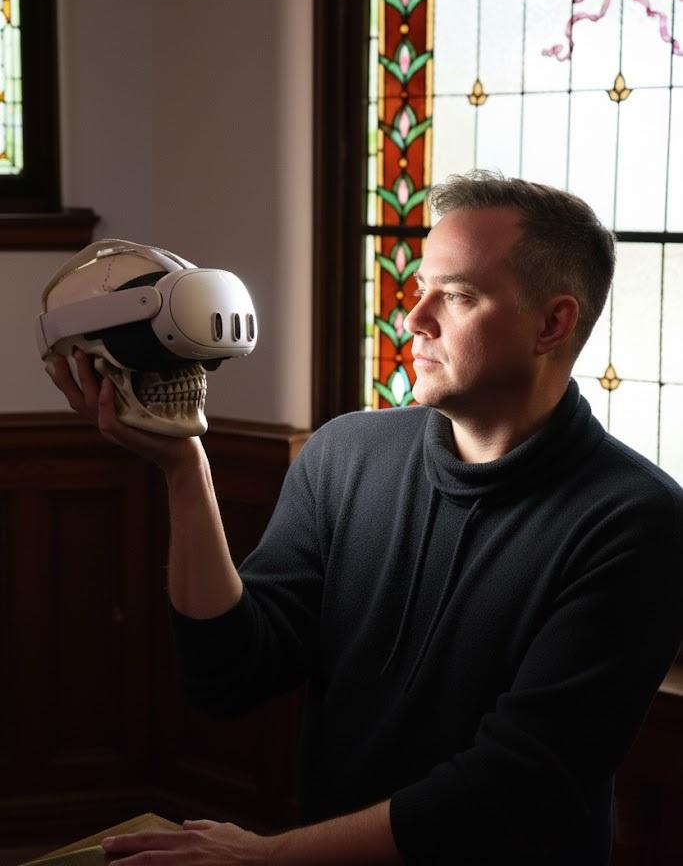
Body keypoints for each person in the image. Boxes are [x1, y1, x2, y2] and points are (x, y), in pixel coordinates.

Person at [45, 170, 683, 866]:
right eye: (418, 293)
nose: (413, 320)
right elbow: (228, 676)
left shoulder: (635, 520)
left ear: (552, 322)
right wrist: (184, 469)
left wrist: (268, 857)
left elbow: (516, 785)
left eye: (458, 296)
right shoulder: (345, 453)